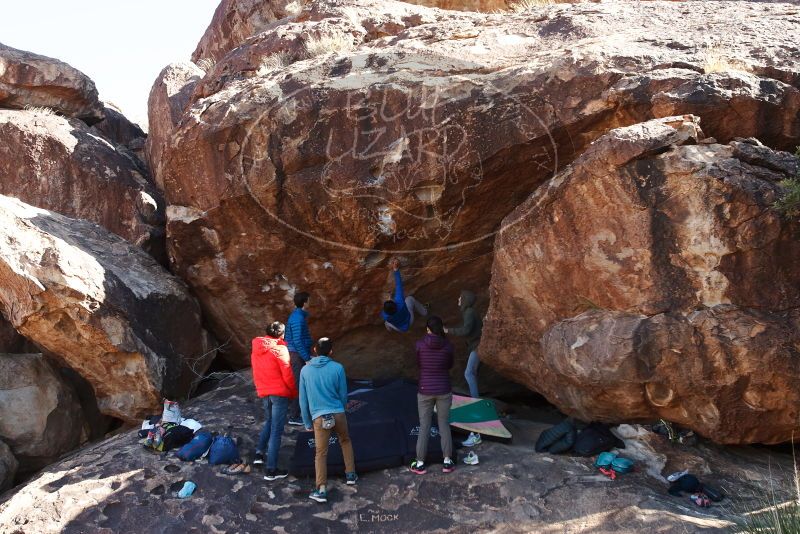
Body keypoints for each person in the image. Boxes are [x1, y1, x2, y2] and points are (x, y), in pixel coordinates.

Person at [299, 337, 357, 503]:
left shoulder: (305, 370)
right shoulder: (338, 368)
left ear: (315, 350)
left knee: (321, 453)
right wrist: (341, 408)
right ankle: (351, 475)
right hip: (338, 412)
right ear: (331, 352)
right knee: (345, 441)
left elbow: (303, 400)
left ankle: (322, 489)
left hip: (319, 416)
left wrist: (307, 422)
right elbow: (343, 395)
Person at [251, 321, 297, 480]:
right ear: (281, 334)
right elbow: (288, 375)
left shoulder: (256, 348)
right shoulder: (280, 349)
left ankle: (259, 454)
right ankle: (271, 470)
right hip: (279, 393)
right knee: (277, 430)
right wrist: (293, 392)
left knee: (269, 422)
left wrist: (260, 389)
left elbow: (256, 371)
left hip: (265, 392)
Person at [410, 316, 455, 475]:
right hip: (443, 388)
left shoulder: (419, 345)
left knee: (424, 426)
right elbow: (450, 365)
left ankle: (420, 462)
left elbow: (419, 364)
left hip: (425, 389)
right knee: (444, 424)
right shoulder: (448, 346)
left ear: (428, 329)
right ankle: (447, 461)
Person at [285, 291, 313, 426]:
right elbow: (296, 341)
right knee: (299, 385)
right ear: (305, 302)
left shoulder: (298, 316)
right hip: (296, 355)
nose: (310, 302)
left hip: (297, 353)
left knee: (302, 383)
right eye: (309, 300)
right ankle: (293, 416)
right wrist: (307, 358)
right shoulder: (297, 318)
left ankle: (301, 411)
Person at [382, 258, 428, 333]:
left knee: (387, 323)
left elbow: (387, 310)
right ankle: (424, 312)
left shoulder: (385, 315)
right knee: (410, 299)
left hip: (399, 329)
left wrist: (389, 300)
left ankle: (389, 331)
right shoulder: (400, 303)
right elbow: (399, 285)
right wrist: (396, 269)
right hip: (409, 320)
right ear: (394, 303)